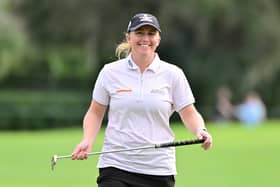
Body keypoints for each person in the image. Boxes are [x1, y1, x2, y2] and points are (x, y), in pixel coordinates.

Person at [71, 13, 212, 187]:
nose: (145, 38)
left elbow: (189, 113)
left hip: (158, 169)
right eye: (139, 33)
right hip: (116, 165)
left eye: (151, 34)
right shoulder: (110, 72)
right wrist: (87, 139)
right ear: (128, 37)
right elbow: (95, 112)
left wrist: (200, 129)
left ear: (158, 39)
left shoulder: (173, 74)